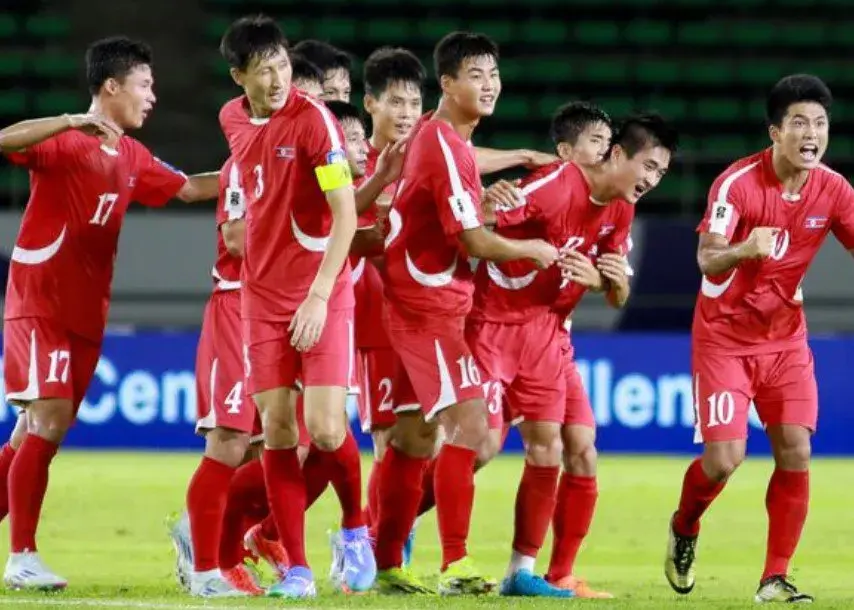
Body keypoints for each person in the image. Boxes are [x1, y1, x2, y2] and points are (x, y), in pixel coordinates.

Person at [0, 36, 219, 591]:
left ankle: (21, 550)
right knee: (47, 422)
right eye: (144, 85)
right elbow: (4, 140)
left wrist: (257, 172)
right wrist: (70, 119)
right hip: (40, 305)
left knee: (31, 435)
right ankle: (21, 557)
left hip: (86, 316)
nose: (153, 96)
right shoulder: (64, 140)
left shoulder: (133, 155)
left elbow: (190, 189)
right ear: (112, 86)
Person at [373, 31, 558, 596]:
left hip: (425, 300)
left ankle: (384, 560)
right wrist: (532, 247)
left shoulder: (444, 141)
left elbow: (451, 215)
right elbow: (473, 241)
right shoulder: (443, 144)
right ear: (448, 84)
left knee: (414, 438)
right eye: (476, 75)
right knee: (472, 429)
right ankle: (455, 563)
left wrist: (489, 201)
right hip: (426, 307)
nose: (489, 84)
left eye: (494, 74)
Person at [473, 110, 676, 598]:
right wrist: (488, 197)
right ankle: (385, 535)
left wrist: (605, 281)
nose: (652, 180)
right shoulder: (557, 185)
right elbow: (473, 222)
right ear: (619, 154)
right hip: (494, 326)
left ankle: (551, 573)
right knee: (478, 449)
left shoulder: (621, 209)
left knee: (578, 447)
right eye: (648, 166)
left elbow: (618, 294)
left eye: (662, 173)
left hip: (549, 336)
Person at [665, 74, 851, 604]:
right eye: (799, 123)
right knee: (724, 460)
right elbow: (707, 257)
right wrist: (745, 249)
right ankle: (684, 525)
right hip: (724, 339)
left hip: (786, 339)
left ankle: (775, 578)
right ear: (775, 132)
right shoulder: (736, 184)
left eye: (820, 124)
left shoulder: (834, 189)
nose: (811, 134)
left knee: (796, 450)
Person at [218, 15, 374, 598]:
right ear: (239, 77)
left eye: (283, 64)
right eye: (264, 70)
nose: (278, 79)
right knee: (279, 433)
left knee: (327, 430)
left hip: (320, 292)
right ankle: (299, 570)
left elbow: (346, 216)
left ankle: (355, 528)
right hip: (260, 297)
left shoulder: (314, 123)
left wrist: (318, 295)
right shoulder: (231, 119)